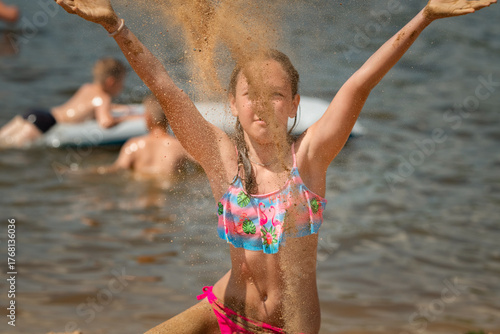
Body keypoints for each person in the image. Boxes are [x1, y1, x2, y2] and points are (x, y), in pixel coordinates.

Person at [54, 0, 496, 333]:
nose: (263, 104)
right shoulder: (220, 158)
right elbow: (165, 88)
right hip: (225, 310)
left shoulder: (310, 160)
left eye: (277, 94)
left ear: (294, 106)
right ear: (232, 103)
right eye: (251, 94)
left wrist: (425, 16)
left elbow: (360, 83)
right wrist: (116, 25)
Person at [0, 57, 128, 148]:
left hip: (39, 114)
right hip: (46, 123)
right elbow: (106, 122)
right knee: (10, 148)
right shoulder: (103, 98)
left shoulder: (87, 87)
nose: (122, 87)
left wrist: (116, 107)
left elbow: (88, 106)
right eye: (122, 82)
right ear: (111, 81)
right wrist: (128, 118)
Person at [98, 95, 193, 182]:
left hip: (140, 186)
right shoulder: (179, 146)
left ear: (147, 118)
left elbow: (117, 169)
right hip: (167, 190)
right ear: (170, 118)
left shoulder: (133, 145)